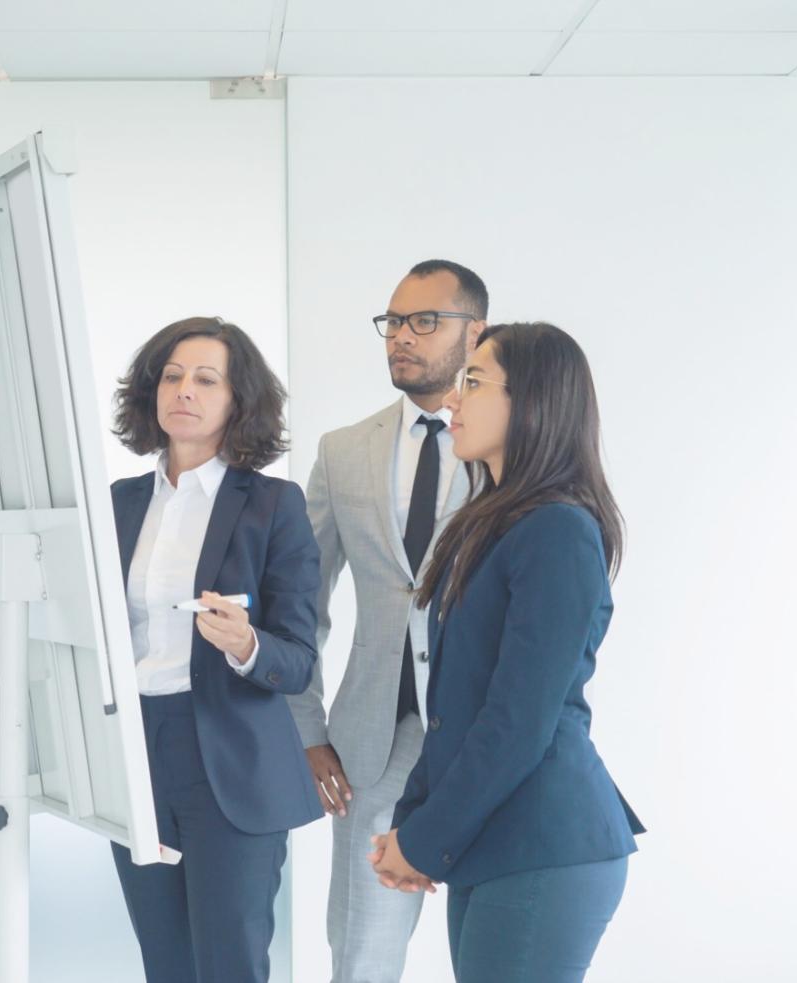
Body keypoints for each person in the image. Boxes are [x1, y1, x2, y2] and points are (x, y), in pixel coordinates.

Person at [369, 321, 646, 983]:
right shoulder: (493, 521)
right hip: (499, 841)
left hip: (545, 842)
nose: (451, 400)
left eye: (474, 381)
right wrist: (413, 826)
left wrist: (425, 840)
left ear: (534, 401)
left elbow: (516, 722)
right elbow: (455, 707)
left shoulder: (558, 530)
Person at [108, 316, 323, 983]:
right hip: (138, 754)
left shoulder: (273, 505)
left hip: (230, 761)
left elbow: (298, 658)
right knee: (166, 964)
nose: (185, 391)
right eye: (171, 376)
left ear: (239, 400)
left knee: (228, 966)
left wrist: (247, 644)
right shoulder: (118, 503)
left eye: (206, 379)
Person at [289, 260, 487, 982]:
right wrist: (308, 731)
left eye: (424, 321)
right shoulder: (343, 452)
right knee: (362, 955)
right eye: (393, 322)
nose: (401, 337)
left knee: (496, 946)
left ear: (478, 331)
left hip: (483, 734)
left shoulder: (512, 446)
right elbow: (300, 602)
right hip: (373, 740)